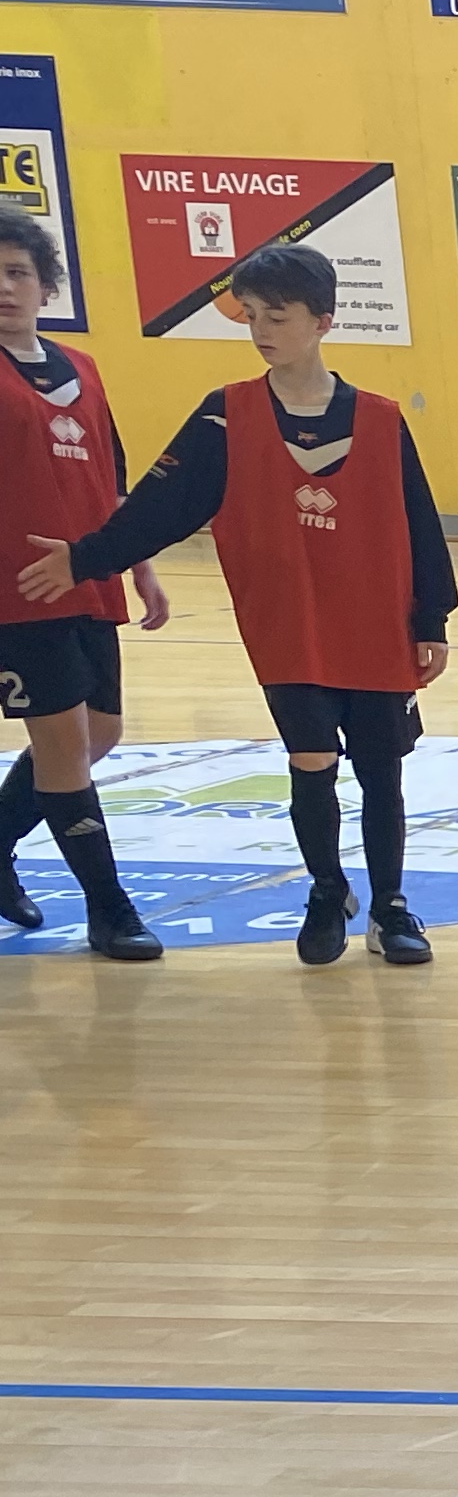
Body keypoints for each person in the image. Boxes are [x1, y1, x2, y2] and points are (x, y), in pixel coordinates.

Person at [23, 239, 457, 967]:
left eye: (277, 317)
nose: (260, 331)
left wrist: (432, 617)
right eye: (251, 315)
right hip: (287, 627)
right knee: (311, 760)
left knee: (382, 770)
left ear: (322, 321)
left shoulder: (381, 418)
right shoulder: (225, 414)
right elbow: (161, 506)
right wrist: (86, 558)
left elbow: (420, 522)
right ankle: (327, 890)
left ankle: (390, 907)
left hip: (377, 624)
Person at [0, 205, 168, 955]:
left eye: (17, 273)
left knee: (101, 735)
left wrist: (141, 566)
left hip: (89, 580)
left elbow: (111, 481)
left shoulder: (84, 368)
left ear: (45, 286)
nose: (4, 287)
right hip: (16, 591)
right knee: (65, 747)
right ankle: (110, 909)